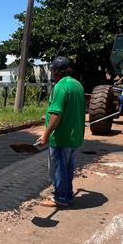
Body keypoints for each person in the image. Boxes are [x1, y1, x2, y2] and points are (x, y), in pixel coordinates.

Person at [37, 56, 86, 207]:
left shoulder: (60, 86)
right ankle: (67, 194)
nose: (51, 73)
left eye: (52, 70)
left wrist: (45, 134)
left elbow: (56, 114)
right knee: (68, 169)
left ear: (57, 71)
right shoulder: (77, 84)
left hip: (61, 137)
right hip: (75, 136)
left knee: (58, 169)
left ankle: (61, 198)